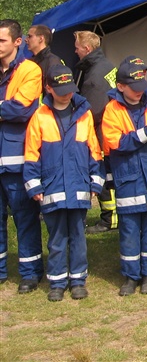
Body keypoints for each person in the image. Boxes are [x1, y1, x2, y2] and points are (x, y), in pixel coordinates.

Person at [23, 65, 103, 301]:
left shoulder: (84, 114)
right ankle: (57, 282)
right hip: (53, 188)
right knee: (57, 239)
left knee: (78, 237)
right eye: (61, 90)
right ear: (48, 88)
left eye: (70, 89)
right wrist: (34, 185)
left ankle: (78, 281)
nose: (67, 94)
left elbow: (94, 151)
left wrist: (95, 183)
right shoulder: (40, 116)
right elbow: (31, 154)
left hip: (78, 188)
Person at [102, 56, 147, 296]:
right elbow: (115, 143)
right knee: (129, 231)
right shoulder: (112, 110)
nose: (139, 91)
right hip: (128, 179)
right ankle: (130, 276)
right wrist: (144, 134)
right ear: (120, 86)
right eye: (134, 87)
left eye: (142, 85)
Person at [0, 19, 44, 293]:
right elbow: (10, 108)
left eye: (2, 40)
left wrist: (9, 107)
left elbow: (21, 110)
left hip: (17, 159)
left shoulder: (30, 69)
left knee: (25, 219)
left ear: (17, 42)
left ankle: (30, 273)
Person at [74, 30, 118, 234]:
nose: (75, 52)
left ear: (87, 48)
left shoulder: (94, 76)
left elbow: (93, 110)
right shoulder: (106, 65)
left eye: (77, 48)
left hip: (101, 132)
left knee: (103, 174)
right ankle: (113, 216)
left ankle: (110, 219)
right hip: (112, 128)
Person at [25, 25, 62, 91]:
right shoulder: (30, 61)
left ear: (41, 39)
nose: (26, 39)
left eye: (30, 36)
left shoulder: (53, 62)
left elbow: (55, 91)